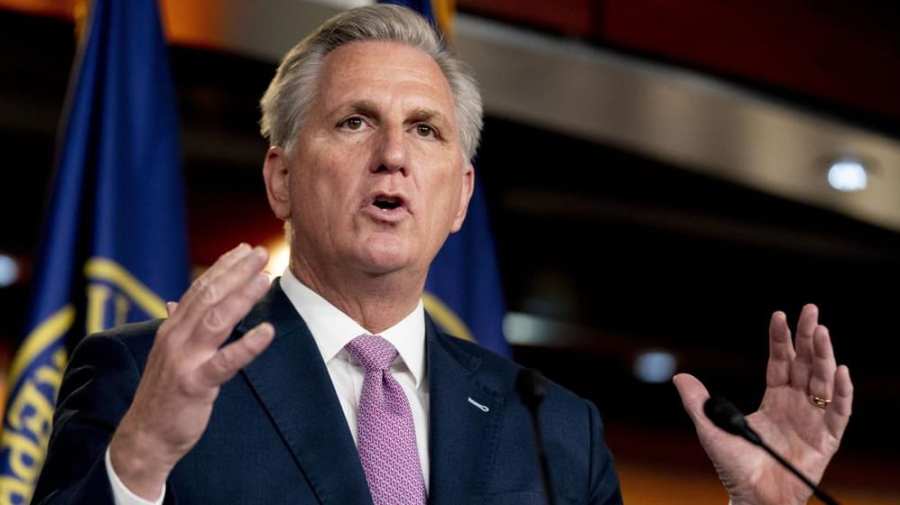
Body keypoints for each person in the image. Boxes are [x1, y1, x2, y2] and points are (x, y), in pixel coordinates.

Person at [32, 5, 853, 505]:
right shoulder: (148, 377)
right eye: (355, 121)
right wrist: (137, 460)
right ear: (280, 176)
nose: (393, 155)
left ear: (459, 195)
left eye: (425, 130)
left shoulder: (553, 428)